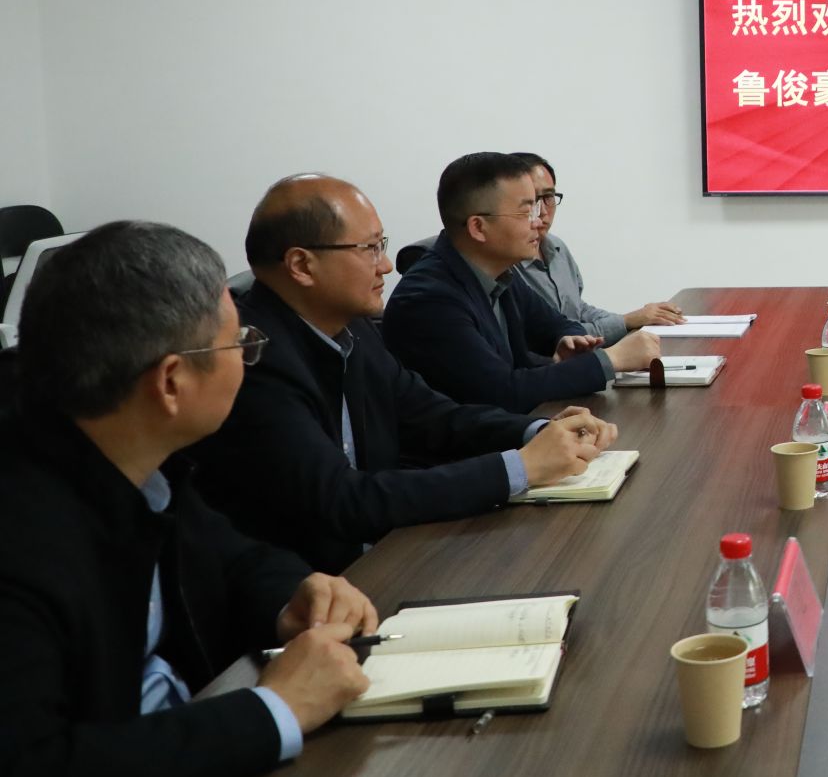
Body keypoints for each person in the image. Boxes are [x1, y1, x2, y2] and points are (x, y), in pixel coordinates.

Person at [0, 221, 378, 777]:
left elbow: (233, 556)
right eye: (239, 344)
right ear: (171, 381)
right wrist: (275, 709)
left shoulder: (131, 456)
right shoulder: (24, 532)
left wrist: (293, 593)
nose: (248, 361)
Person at [192, 175, 619, 574]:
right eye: (369, 249)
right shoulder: (254, 360)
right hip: (319, 587)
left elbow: (434, 416)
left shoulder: (352, 329)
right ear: (302, 265)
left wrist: (537, 431)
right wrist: (520, 467)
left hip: (386, 555)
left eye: (382, 245)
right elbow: (343, 500)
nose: (386, 266)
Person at [384, 153, 662, 411]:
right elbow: (501, 392)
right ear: (478, 227)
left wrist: (568, 339)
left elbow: (555, 323)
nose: (538, 221)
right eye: (526, 212)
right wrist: (612, 360)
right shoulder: (429, 300)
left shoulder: (499, 272)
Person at [512, 152, 683, 345]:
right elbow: (551, 337)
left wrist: (637, 320)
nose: (542, 211)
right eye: (533, 200)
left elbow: (578, 309)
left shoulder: (557, 247)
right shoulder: (506, 263)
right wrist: (626, 321)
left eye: (548, 197)